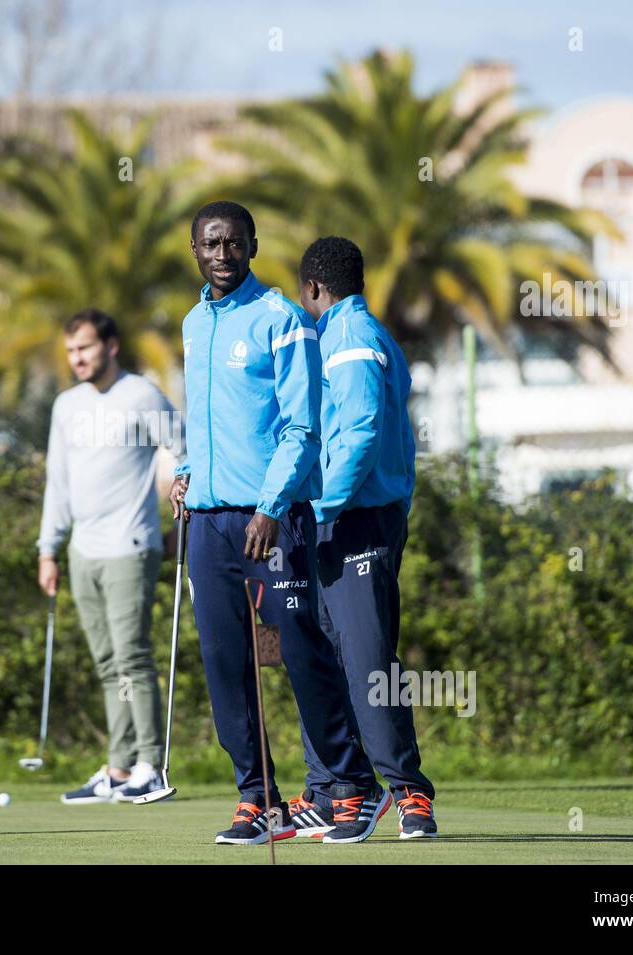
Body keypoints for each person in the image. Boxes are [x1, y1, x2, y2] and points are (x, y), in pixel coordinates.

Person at [169, 201, 365, 845]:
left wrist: (271, 507)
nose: (221, 254)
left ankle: (348, 785)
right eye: (209, 244)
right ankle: (256, 800)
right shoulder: (193, 325)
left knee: (302, 648)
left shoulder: (281, 319)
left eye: (232, 243)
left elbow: (301, 427)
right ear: (194, 250)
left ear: (252, 246)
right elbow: (206, 420)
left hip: (274, 520)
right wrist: (188, 470)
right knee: (227, 660)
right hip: (208, 524)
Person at [290, 235, 438, 840]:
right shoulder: (357, 334)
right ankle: (333, 790)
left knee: (366, 656)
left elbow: (359, 434)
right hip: (349, 515)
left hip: (351, 518)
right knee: (321, 653)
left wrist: (319, 507)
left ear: (314, 290)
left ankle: (406, 795)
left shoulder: (348, 339)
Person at [38, 309, 186, 804]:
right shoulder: (65, 406)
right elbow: (57, 483)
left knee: (131, 657)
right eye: (71, 351)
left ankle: (151, 765)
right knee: (107, 663)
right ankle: (119, 769)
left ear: (111, 345)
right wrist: (48, 549)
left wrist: (180, 517)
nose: (77, 358)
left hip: (131, 545)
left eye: (84, 348)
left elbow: (185, 449)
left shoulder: (141, 394)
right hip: (83, 551)